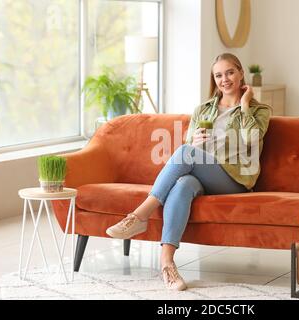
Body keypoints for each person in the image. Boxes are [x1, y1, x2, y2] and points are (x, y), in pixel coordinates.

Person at [106, 53, 272, 291]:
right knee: (183, 183)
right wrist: (194, 141)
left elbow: (251, 140)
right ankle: (167, 264)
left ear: (240, 72)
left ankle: (139, 215)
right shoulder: (202, 110)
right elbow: (189, 146)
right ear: (213, 80)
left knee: (186, 153)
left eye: (229, 72)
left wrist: (244, 105)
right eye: (218, 75)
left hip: (236, 178)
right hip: (204, 174)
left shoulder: (260, 110)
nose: (224, 79)